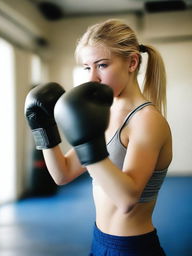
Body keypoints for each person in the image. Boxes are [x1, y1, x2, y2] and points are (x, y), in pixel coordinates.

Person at [24, 19, 172, 256]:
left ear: (132, 62)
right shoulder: (105, 114)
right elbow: (62, 174)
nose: (92, 77)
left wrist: (88, 142)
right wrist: (43, 129)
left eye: (102, 65)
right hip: (99, 241)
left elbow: (127, 200)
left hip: (132, 248)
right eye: (86, 67)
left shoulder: (146, 120)